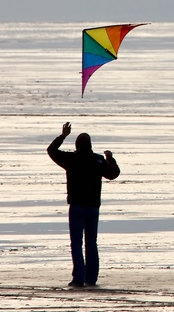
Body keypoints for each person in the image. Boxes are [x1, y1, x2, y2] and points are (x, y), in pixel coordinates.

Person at [47, 122, 120, 287]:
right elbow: (113, 173)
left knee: (76, 243)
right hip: (93, 207)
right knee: (91, 242)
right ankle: (91, 278)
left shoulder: (71, 159)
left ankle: (79, 278)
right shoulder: (98, 160)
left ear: (76, 145)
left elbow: (51, 151)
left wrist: (63, 135)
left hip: (77, 207)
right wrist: (110, 159)